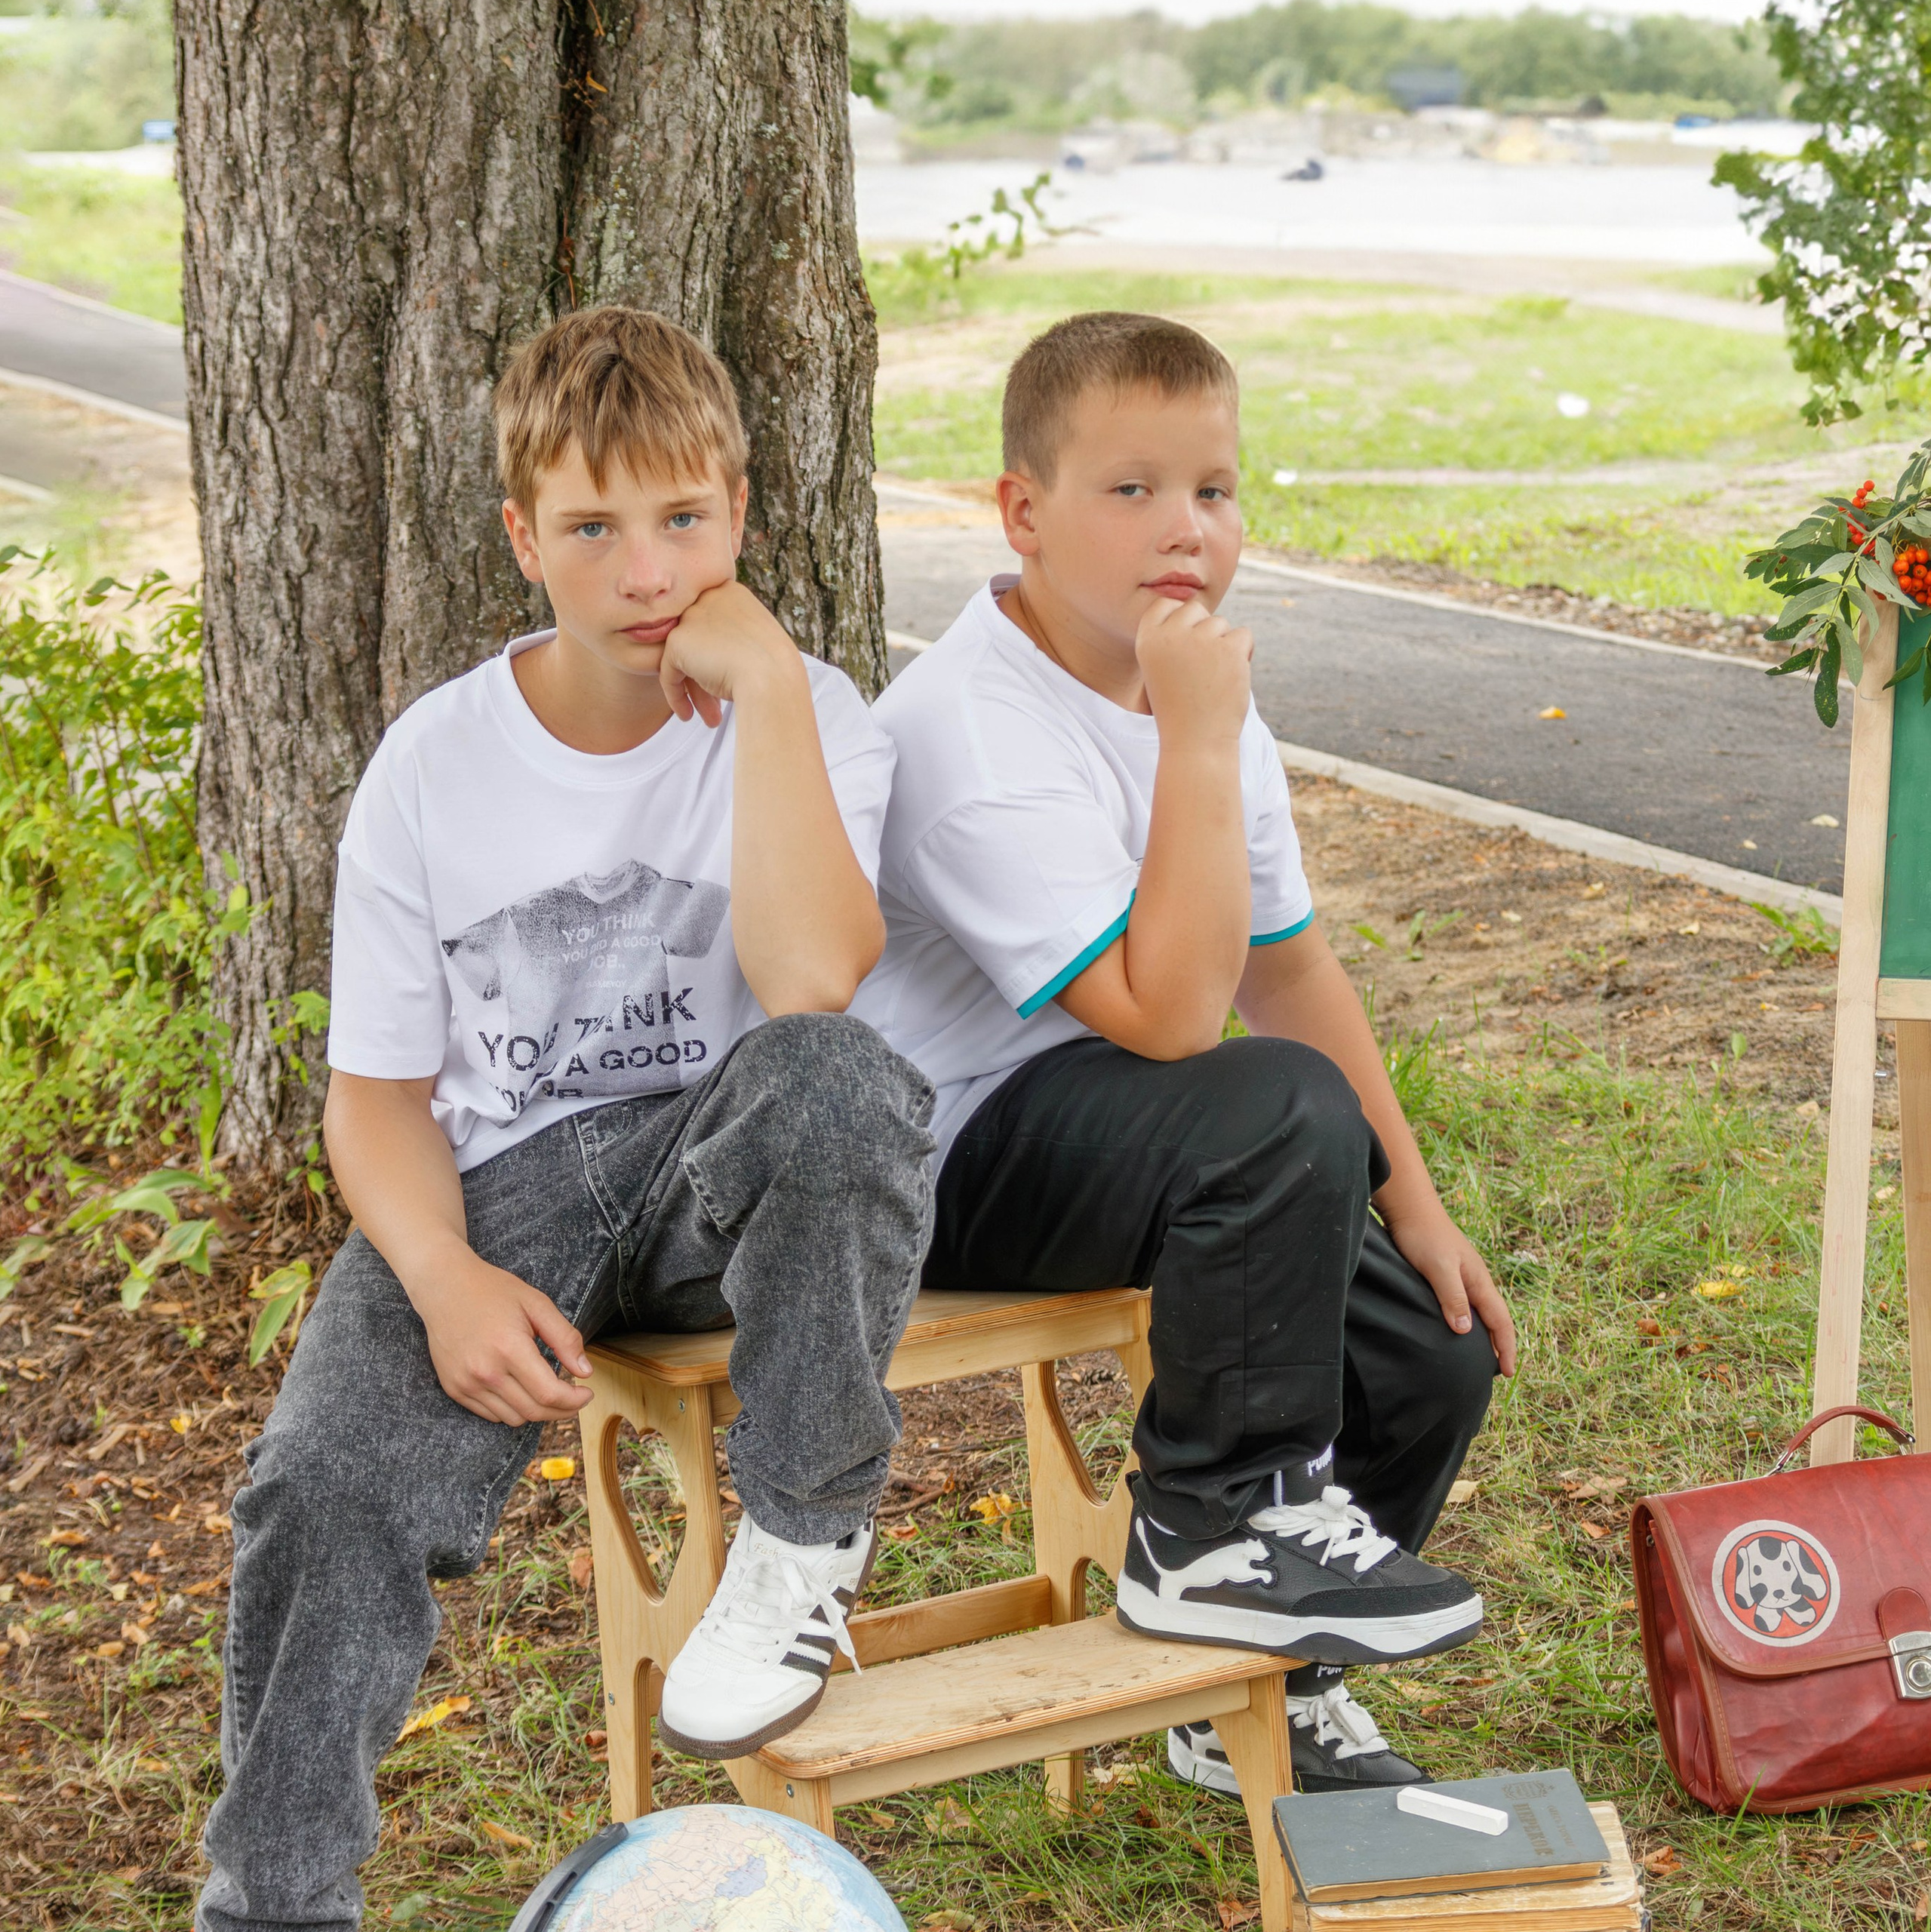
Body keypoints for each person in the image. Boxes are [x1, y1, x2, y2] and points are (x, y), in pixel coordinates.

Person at [196, 308, 935, 1932]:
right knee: (321, 1486)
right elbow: (374, 1097)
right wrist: (446, 1279)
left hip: (714, 1180)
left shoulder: (809, 713)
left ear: (739, 512)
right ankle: (274, 1904)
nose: (645, 568)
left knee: (840, 1081)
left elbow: (812, 979)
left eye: (682, 519)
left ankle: (805, 1537)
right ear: (524, 538)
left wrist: (763, 697)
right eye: (593, 527)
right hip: (497, 1193)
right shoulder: (435, 764)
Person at [854, 311, 1517, 1798]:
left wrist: (1413, 1203)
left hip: (1132, 1128)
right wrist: (1197, 746)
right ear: (1019, 512)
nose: (1184, 529)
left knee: (1429, 1342)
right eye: (1131, 489)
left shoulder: (1188, 683)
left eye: (1211, 491)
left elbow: (1283, 968)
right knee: (1273, 1107)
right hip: (942, 1156)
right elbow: (1174, 1017)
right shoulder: (971, 728)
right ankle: (1207, 1529)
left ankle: (1259, 1688)